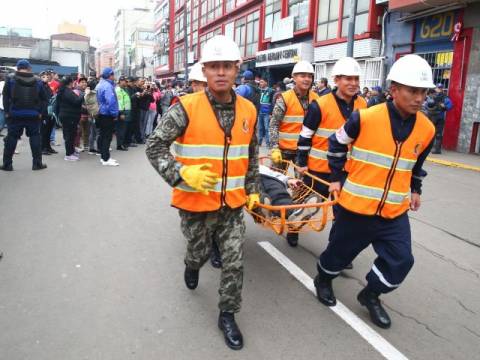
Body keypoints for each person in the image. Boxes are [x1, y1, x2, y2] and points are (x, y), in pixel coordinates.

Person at [146, 35, 259, 350]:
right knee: (200, 253)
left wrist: (253, 189)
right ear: (204, 71)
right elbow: (154, 146)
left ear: (237, 69)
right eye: (214, 67)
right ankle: (192, 263)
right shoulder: (185, 107)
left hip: (232, 206)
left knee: (234, 261)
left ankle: (227, 315)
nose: (221, 72)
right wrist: (181, 174)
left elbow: (251, 154)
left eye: (227, 66)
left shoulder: (250, 109)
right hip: (196, 204)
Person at [313, 54, 436, 330]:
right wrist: (336, 178)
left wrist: (415, 188)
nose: (419, 98)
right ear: (394, 90)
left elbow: (418, 163)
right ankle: (323, 279)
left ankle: (371, 294)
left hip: (393, 211)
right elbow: (335, 143)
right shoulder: (364, 118)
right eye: (412, 91)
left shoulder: (427, 128)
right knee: (338, 256)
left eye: (423, 92)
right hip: (356, 207)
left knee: (401, 260)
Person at [296, 57, 367, 198]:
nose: (353, 83)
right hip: (318, 171)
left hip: (347, 170)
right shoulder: (319, 105)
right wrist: (302, 163)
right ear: (336, 80)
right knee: (304, 212)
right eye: (348, 79)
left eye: (356, 79)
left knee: (341, 214)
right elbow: (305, 136)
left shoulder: (363, 105)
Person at [269, 61, 319, 171]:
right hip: (282, 150)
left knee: (302, 186)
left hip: (304, 151)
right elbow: (274, 124)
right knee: (276, 182)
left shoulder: (316, 99)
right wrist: (274, 148)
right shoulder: (285, 98)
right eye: (302, 76)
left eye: (309, 76)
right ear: (294, 78)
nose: (307, 79)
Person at [1, 59, 47, 171]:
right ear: (29, 68)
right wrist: (40, 112)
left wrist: (7, 112)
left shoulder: (10, 79)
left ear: (17, 67)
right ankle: (37, 164)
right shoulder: (38, 80)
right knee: (35, 137)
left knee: (12, 138)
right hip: (33, 115)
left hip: (15, 114)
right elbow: (44, 99)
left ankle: (7, 164)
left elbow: (5, 97)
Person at [56, 76, 84, 161]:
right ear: (70, 83)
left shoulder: (64, 91)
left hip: (68, 116)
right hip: (69, 116)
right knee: (69, 135)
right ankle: (68, 154)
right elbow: (76, 101)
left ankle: (71, 151)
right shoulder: (66, 91)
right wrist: (83, 94)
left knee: (71, 135)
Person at [96, 67, 119, 166]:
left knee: (103, 135)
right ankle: (106, 158)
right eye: (113, 74)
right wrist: (114, 114)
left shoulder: (100, 84)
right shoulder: (108, 86)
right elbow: (111, 101)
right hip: (107, 114)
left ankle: (103, 157)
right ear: (110, 75)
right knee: (107, 137)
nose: (114, 76)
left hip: (101, 112)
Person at [424, 83, 452, 154]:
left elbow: (450, 105)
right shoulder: (431, 96)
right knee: (429, 133)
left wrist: (444, 107)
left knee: (438, 134)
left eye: (440, 88)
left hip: (439, 117)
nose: (439, 89)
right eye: (438, 88)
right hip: (430, 116)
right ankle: (426, 147)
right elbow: (425, 105)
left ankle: (437, 149)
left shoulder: (445, 97)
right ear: (435, 88)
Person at [38, 71, 57, 155]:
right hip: (43, 112)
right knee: (43, 131)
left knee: (49, 130)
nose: (46, 77)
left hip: (49, 111)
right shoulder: (39, 85)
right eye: (44, 76)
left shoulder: (47, 86)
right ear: (41, 77)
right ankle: (42, 148)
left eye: (47, 76)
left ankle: (48, 147)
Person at [257, 77, 274, 147]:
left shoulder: (271, 91)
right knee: (260, 128)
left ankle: (268, 143)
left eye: (262, 82)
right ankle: (259, 142)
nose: (260, 83)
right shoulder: (258, 90)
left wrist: (271, 113)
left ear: (266, 83)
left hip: (267, 112)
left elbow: (273, 103)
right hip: (260, 112)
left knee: (267, 128)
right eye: (260, 82)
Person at [74, 76, 89, 152]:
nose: (84, 83)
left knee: (86, 131)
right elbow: (76, 102)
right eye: (82, 82)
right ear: (78, 83)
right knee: (78, 131)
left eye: (85, 82)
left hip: (87, 114)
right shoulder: (76, 91)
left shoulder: (87, 91)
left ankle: (85, 145)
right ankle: (77, 145)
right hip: (79, 114)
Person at [115, 76, 131, 151]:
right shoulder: (118, 90)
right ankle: (119, 145)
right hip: (121, 112)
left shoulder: (123, 89)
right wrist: (121, 113)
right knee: (120, 129)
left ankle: (121, 144)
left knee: (123, 129)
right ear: (120, 81)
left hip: (125, 112)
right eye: (124, 81)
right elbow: (120, 102)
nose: (125, 82)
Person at [84, 80, 100, 155]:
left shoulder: (86, 94)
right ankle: (98, 148)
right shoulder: (95, 94)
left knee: (92, 132)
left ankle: (91, 148)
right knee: (98, 132)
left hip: (90, 114)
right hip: (96, 114)